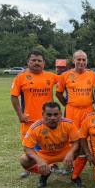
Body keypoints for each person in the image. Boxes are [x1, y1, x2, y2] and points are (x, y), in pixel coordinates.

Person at [11, 50, 60, 178]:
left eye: (39, 61)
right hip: (29, 120)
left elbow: (65, 81)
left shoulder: (51, 76)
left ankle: (52, 165)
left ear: (44, 63)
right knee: (29, 146)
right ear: (28, 62)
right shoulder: (20, 77)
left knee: (49, 144)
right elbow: (14, 96)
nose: (36, 63)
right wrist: (20, 115)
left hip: (48, 120)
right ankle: (28, 168)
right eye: (33, 60)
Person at [56, 50, 95, 181]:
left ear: (87, 61)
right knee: (72, 140)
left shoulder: (92, 75)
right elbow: (59, 93)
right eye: (78, 59)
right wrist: (67, 105)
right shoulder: (65, 75)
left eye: (84, 60)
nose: (81, 62)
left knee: (89, 138)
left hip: (88, 110)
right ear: (73, 61)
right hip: (72, 111)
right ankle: (69, 166)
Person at [20, 102, 80, 188]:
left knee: (82, 149)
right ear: (42, 114)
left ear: (60, 114)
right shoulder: (35, 127)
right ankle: (46, 172)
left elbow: (76, 141)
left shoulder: (68, 123)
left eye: (56, 114)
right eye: (49, 115)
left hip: (65, 153)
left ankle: (75, 175)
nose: (53, 118)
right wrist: (39, 160)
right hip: (45, 155)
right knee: (24, 160)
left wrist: (71, 153)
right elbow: (27, 148)